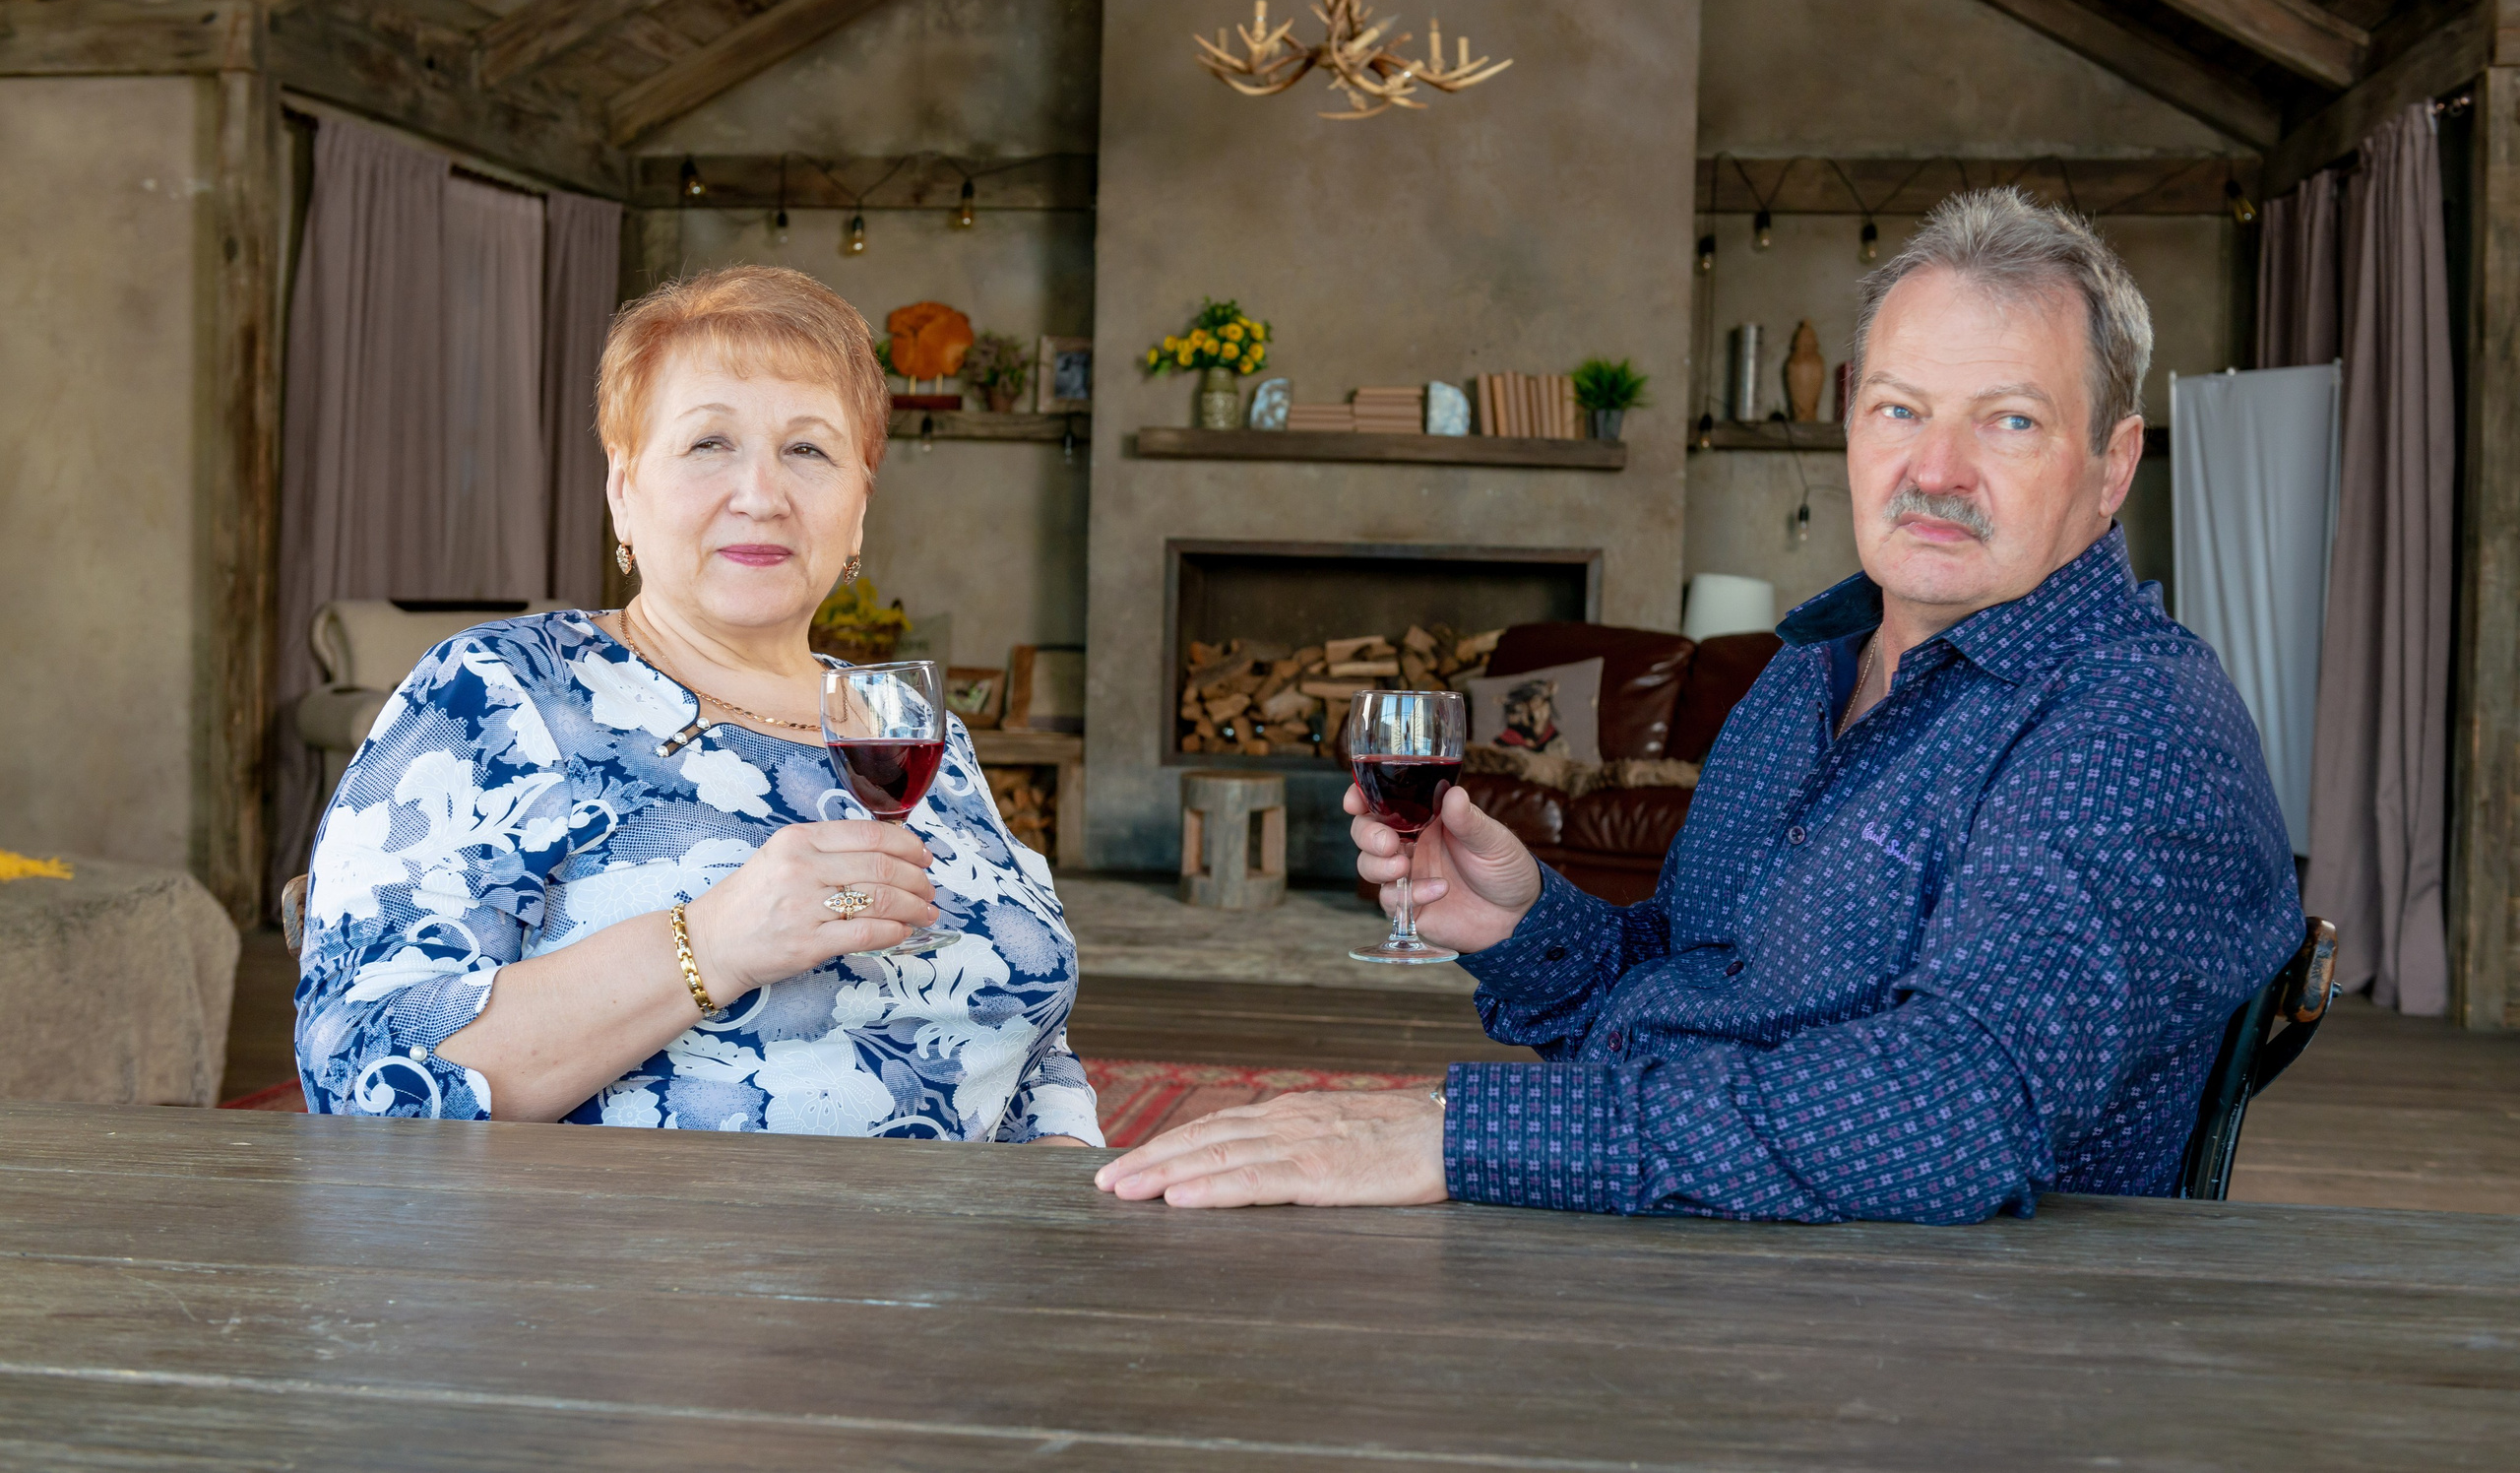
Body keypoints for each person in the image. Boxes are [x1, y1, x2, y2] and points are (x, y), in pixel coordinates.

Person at [1098, 188, 2301, 1218]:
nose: (1934, 471)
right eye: (1899, 408)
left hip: (1943, 1335)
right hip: (1719, 1237)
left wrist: (1452, 1139)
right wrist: (1524, 926)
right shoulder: (1810, 667)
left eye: (2011, 421)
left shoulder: (2132, 727)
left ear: (2112, 466)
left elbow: (1950, 1115)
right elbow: (1689, 986)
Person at [295, 266, 1100, 1143]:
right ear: (623, 489)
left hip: (968, 1262)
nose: (761, 494)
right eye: (708, 444)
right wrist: (709, 944)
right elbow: (360, 1076)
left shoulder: (898, 722)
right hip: (650, 1266)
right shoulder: (497, 691)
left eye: (809, 450)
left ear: (859, 511)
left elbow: (1032, 1033)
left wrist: (1068, 1191)